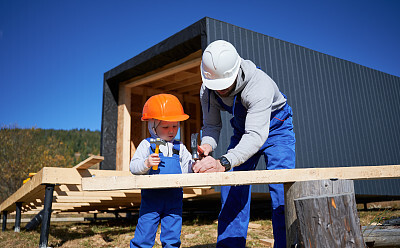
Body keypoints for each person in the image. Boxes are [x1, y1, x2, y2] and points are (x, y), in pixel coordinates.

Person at [192, 40, 295, 248]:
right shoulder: (207, 89)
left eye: (224, 86)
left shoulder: (259, 85)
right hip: (242, 132)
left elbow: (256, 135)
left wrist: (224, 162)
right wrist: (207, 147)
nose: (219, 91)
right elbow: (212, 126)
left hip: (277, 129)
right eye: (215, 86)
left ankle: (286, 244)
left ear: (236, 71)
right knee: (232, 188)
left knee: (281, 189)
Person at [130, 93, 193, 248]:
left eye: (175, 126)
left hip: (174, 197)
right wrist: (146, 163)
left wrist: (195, 166)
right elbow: (133, 167)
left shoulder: (181, 148)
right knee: (145, 232)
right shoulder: (146, 145)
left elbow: (188, 169)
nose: (171, 131)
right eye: (165, 127)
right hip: (152, 198)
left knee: (172, 234)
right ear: (152, 126)